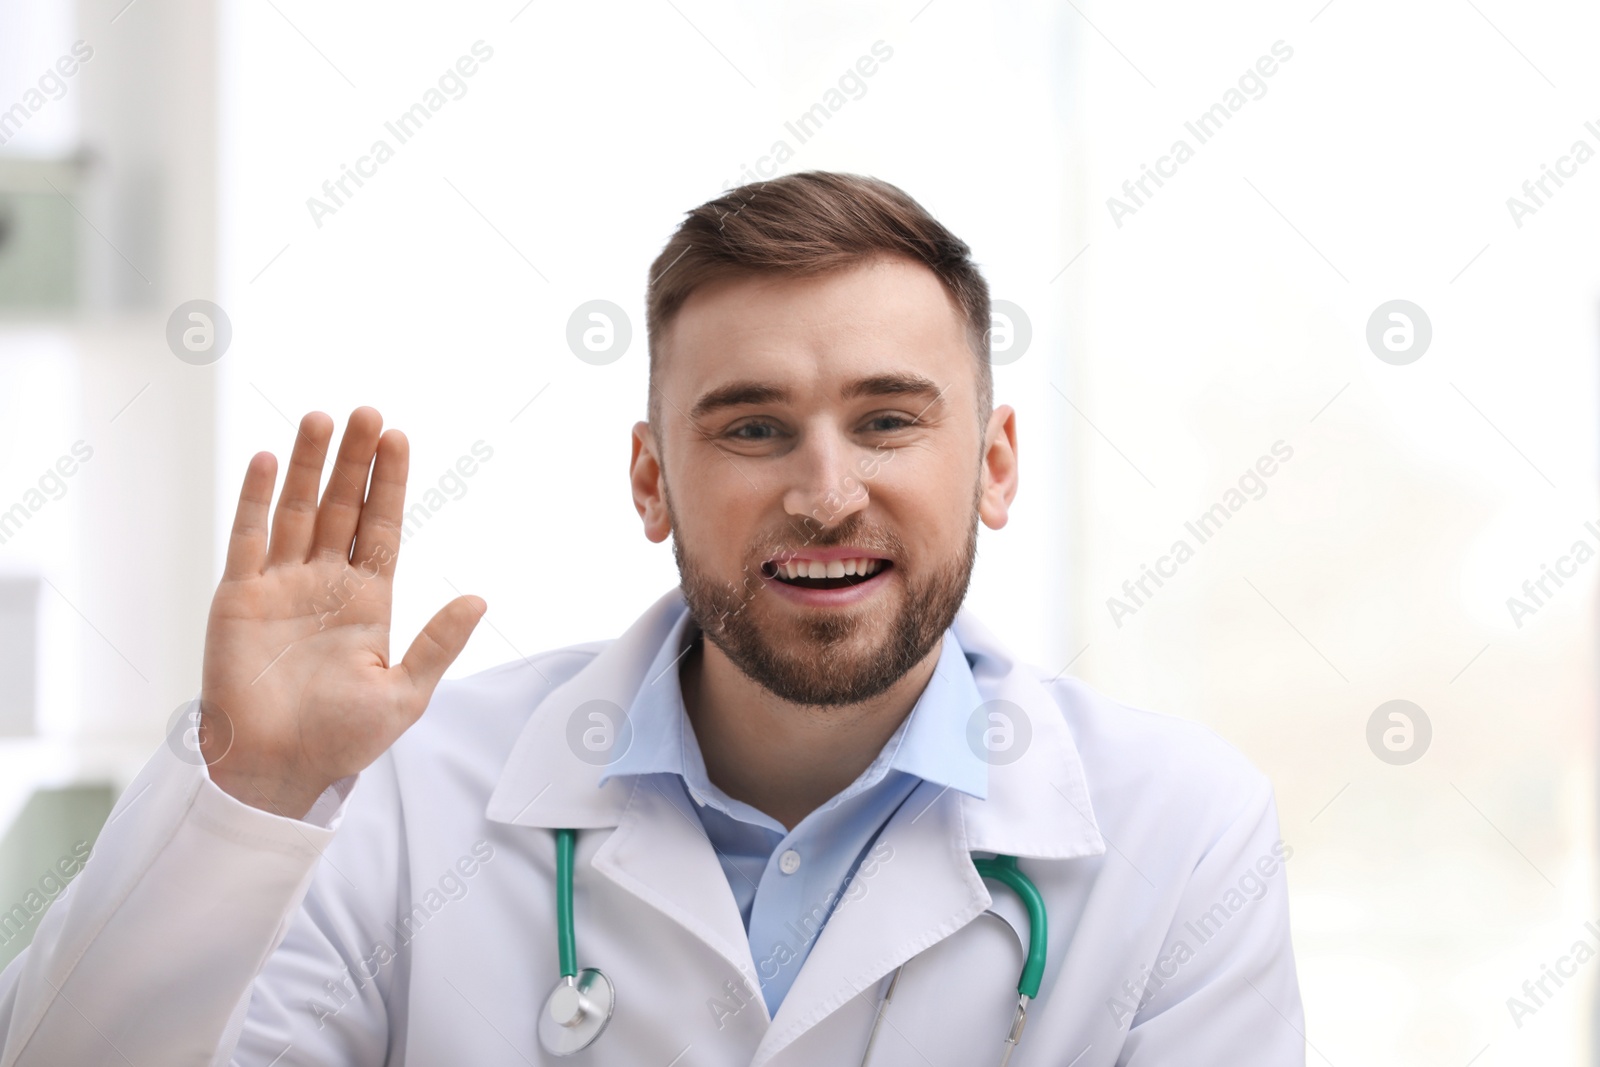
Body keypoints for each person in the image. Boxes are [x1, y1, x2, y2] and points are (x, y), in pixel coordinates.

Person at [0, 171, 1304, 1065]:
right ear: (649, 478)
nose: (825, 490)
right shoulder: (404, 800)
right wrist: (260, 793)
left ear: (998, 464)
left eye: (891, 419)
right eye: (752, 428)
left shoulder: (1179, 832)